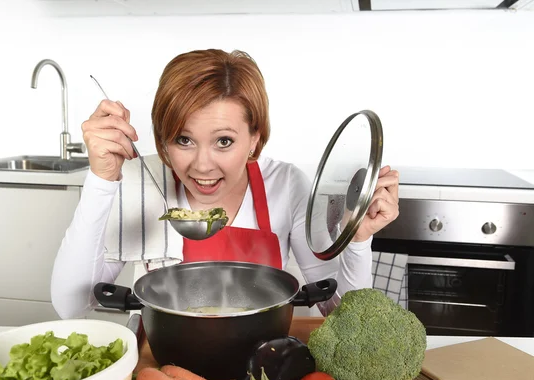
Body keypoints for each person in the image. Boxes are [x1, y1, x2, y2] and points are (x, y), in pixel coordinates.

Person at [50, 49, 400, 319]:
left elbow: (341, 313)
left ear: (254, 138)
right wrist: (101, 181)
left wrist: (357, 239)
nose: (202, 166)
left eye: (224, 142)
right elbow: (71, 305)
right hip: (160, 358)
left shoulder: (286, 185)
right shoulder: (141, 182)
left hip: (262, 358)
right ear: (162, 137)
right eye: (183, 140)